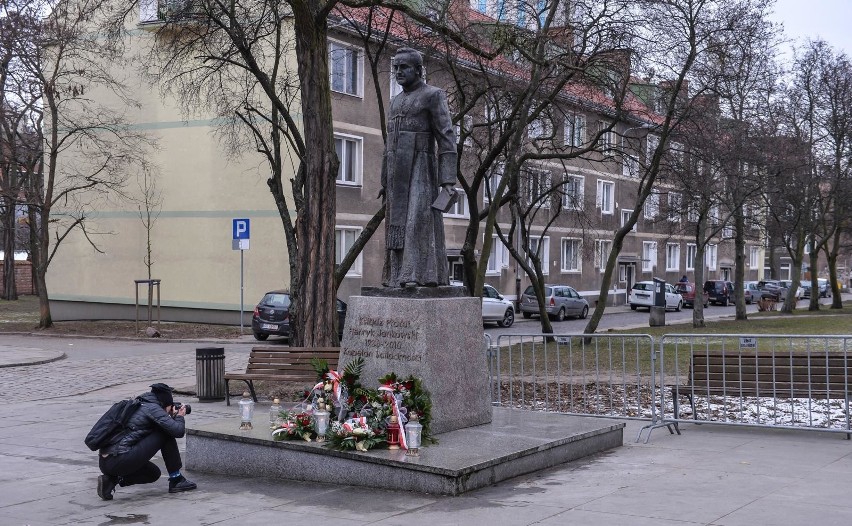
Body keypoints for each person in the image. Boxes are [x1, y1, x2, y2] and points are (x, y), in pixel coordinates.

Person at [380, 47, 457, 287]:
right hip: (396, 170)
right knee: (397, 223)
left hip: (421, 166)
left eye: (404, 67)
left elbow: (446, 136)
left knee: (417, 219)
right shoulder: (394, 102)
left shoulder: (433, 95)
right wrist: (384, 180)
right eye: (396, 68)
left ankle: (417, 275)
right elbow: (389, 142)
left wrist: (447, 181)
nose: (398, 72)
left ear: (418, 70)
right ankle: (396, 275)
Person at [96, 383, 197, 500]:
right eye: (170, 406)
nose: (171, 409)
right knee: (165, 432)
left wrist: (170, 416)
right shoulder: (153, 409)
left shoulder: (139, 404)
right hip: (120, 458)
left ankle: (111, 481)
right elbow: (178, 431)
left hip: (105, 462)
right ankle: (176, 479)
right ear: (165, 403)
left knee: (153, 474)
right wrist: (179, 416)